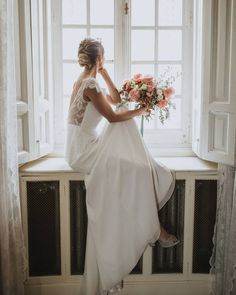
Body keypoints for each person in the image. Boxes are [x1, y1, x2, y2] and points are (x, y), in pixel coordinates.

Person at [65, 37, 180, 295]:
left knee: (127, 133)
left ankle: (148, 192)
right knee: (127, 126)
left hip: (78, 145)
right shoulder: (90, 84)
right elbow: (114, 116)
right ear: (99, 57)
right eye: (103, 59)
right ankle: (153, 223)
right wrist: (140, 111)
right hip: (83, 151)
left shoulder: (86, 79)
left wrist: (104, 71)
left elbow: (116, 99)